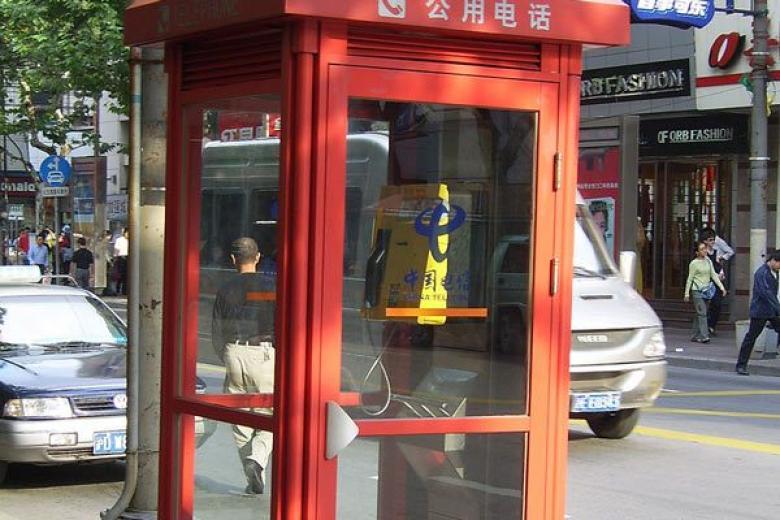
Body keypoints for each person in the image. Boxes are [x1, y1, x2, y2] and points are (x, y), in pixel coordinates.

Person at [211, 237, 276, 495]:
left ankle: (252, 477)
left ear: (233, 259)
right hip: (263, 353)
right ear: (258, 257)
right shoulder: (270, 286)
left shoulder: (225, 289)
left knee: (240, 419)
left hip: (233, 352)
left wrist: (226, 356)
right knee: (271, 415)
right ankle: (257, 460)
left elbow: (217, 330)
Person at [736, 251, 780, 375]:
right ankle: (741, 364)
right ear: (773, 261)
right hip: (760, 311)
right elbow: (766, 293)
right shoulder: (762, 273)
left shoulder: (775, 272)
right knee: (751, 337)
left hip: (771, 310)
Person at [684, 241, 726, 344]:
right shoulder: (694, 263)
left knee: (701, 313)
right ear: (697, 252)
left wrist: (722, 288)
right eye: (702, 249)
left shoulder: (708, 261)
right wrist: (687, 293)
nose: (705, 251)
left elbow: (713, 275)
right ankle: (704, 335)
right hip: (697, 290)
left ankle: (694, 334)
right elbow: (690, 278)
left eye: (705, 249)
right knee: (702, 313)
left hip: (706, 291)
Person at [700, 227, 734, 336]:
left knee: (717, 304)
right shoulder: (702, 253)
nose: (713, 242)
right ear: (705, 241)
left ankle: (710, 326)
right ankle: (702, 329)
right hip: (706, 281)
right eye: (710, 240)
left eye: (713, 239)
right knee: (704, 306)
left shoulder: (715, 252)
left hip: (717, 281)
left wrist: (721, 273)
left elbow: (719, 266)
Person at [114, 228, 129, 295]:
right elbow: (116, 250)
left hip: (129, 258)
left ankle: (125, 291)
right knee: (120, 275)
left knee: (127, 276)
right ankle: (117, 289)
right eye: (127, 233)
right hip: (121, 258)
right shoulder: (119, 240)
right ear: (124, 233)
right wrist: (115, 258)